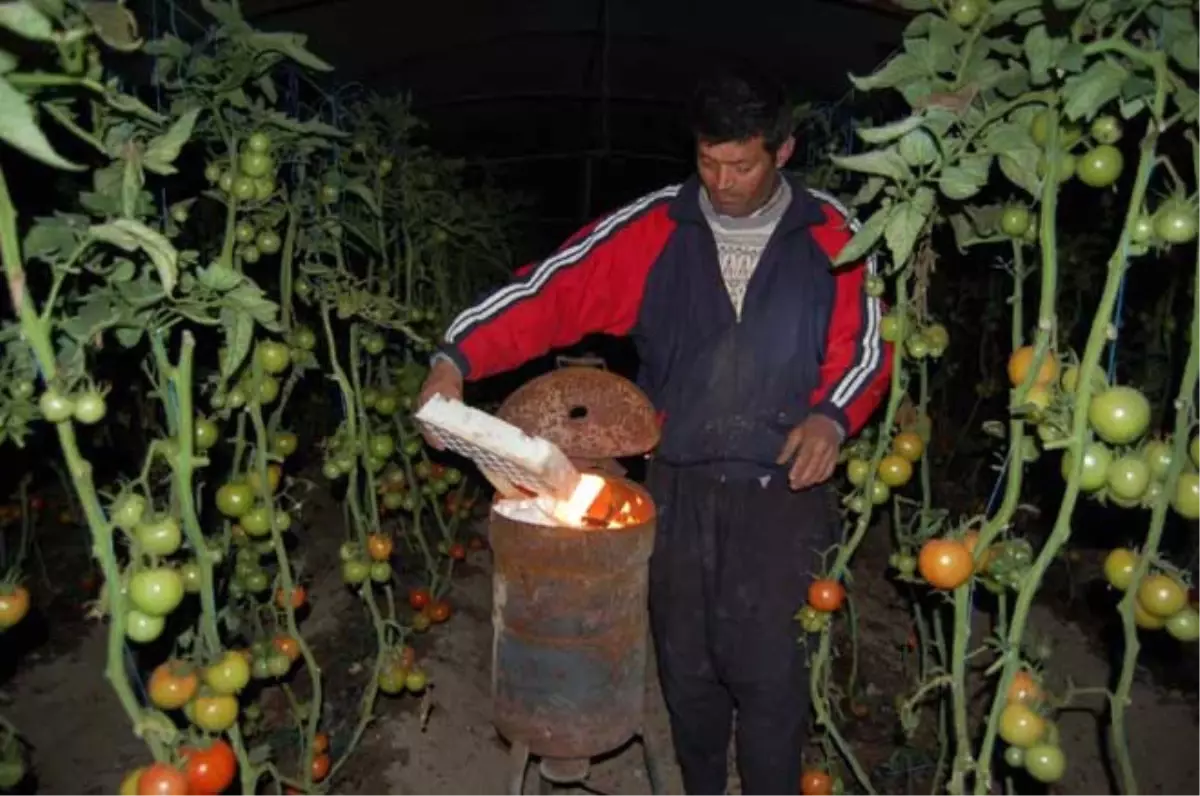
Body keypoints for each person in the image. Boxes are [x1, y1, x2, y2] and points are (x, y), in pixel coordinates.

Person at [417, 67, 893, 795]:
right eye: (708, 161)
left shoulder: (834, 234)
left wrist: (833, 415)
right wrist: (457, 355)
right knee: (688, 666)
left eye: (741, 164)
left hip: (783, 496)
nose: (722, 180)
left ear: (784, 151)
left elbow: (867, 344)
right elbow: (551, 288)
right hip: (677, 487)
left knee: (770, 673)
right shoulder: (656, 228)